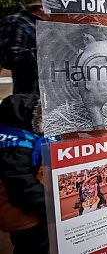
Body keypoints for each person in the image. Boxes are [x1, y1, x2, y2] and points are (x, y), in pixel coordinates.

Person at [0, 94, 51, 253]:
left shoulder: (20, 139)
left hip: (27, 214)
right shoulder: (15, 148)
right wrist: (50, 206)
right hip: (25, 220)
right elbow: (23, 190)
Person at [0, 0, 47, 95]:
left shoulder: (44, 25)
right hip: (29, 96)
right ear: (41, 8)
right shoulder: (16, 22)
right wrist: (47, 51)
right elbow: (10, 58)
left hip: (48, 93)